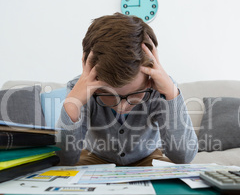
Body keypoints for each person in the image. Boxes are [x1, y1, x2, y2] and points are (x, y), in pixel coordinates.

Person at [56, 13, 198, 166]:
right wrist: (73, 104)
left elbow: (184, 157)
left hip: (148, 158)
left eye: (135, 94)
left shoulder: (161, 87)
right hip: (95, 157)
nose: (122, 107)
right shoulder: (79, 89)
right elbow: (64, 159)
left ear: (150, 73)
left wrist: (171, 94)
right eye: (108, 94)